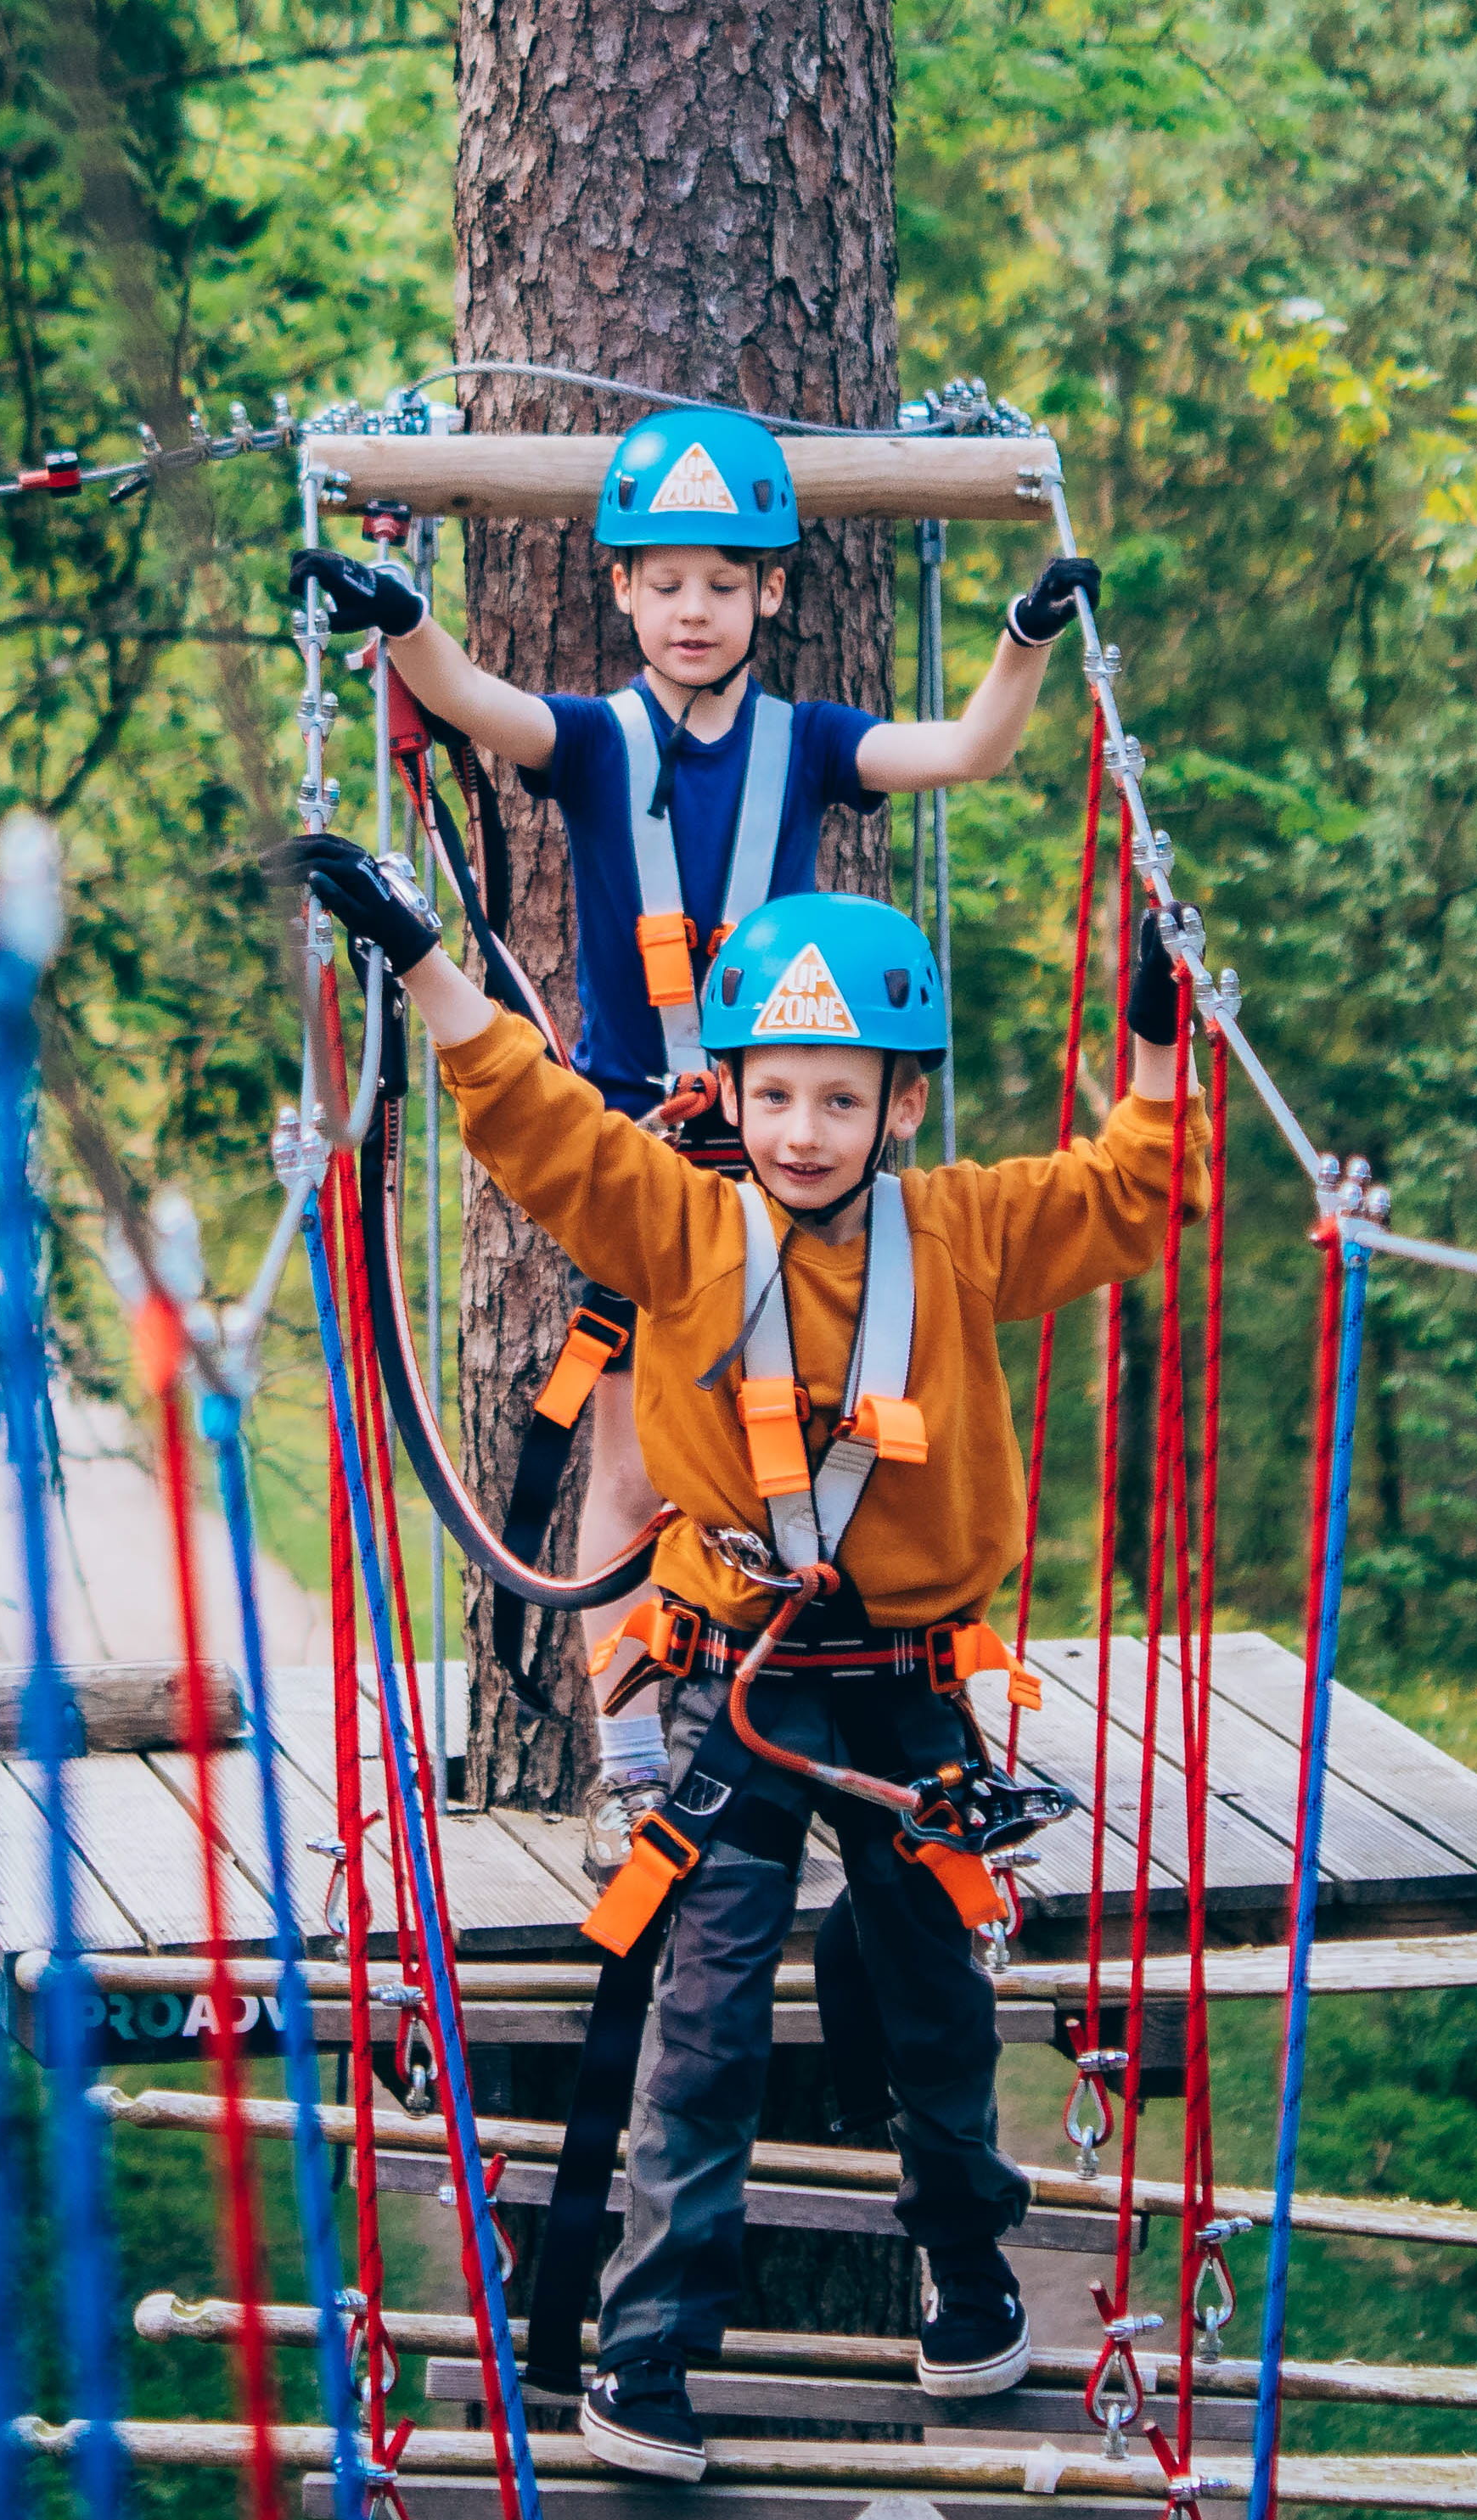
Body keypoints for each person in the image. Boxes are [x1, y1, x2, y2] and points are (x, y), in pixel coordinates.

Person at [279, 839, 1208, 2484]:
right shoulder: (681, 1224)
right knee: (700, 2017)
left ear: (896, 1108)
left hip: (914, 1690)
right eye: (771, 1094)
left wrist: (1151, 1040)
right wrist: (425, 959)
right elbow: (534, 1121)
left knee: (933, 1990)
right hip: (739, 1689)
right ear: (729, 1090)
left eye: (837, 1100)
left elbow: (1128, 1193)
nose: (800, 1131)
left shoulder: (969, 1233)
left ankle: (965, 2265)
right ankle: (643, 2348)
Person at [290, 406, 1104, 1886]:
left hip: (798, 1142)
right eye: (664, 581)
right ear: (621, 591)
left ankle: (849, 1708)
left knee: (831, 1418)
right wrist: (405, 618)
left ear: (770, 597)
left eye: (724, 584)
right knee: (636, 1454)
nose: (691, 609)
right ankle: (633, 1768)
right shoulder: (598, 740)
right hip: (648, 1155)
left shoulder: (815, 745)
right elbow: (478, 703)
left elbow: (975, 747)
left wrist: (1026, 637)